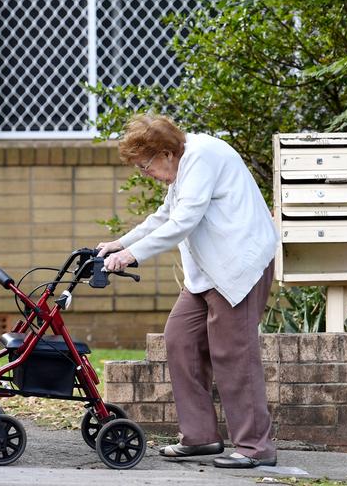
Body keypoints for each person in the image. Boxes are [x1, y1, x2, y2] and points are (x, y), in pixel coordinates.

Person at [97, 113, 279, 468]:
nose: (144, 173)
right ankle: (200, 438)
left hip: (238, 267)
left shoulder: (202, 156)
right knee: (179, 339)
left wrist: (132, 256)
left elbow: (184, 221)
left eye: (145, 165)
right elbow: (166, 214)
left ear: (166, 153)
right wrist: (120, 242)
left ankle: (256, 447)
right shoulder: (182, 164)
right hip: (207, 273)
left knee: (233, 354)